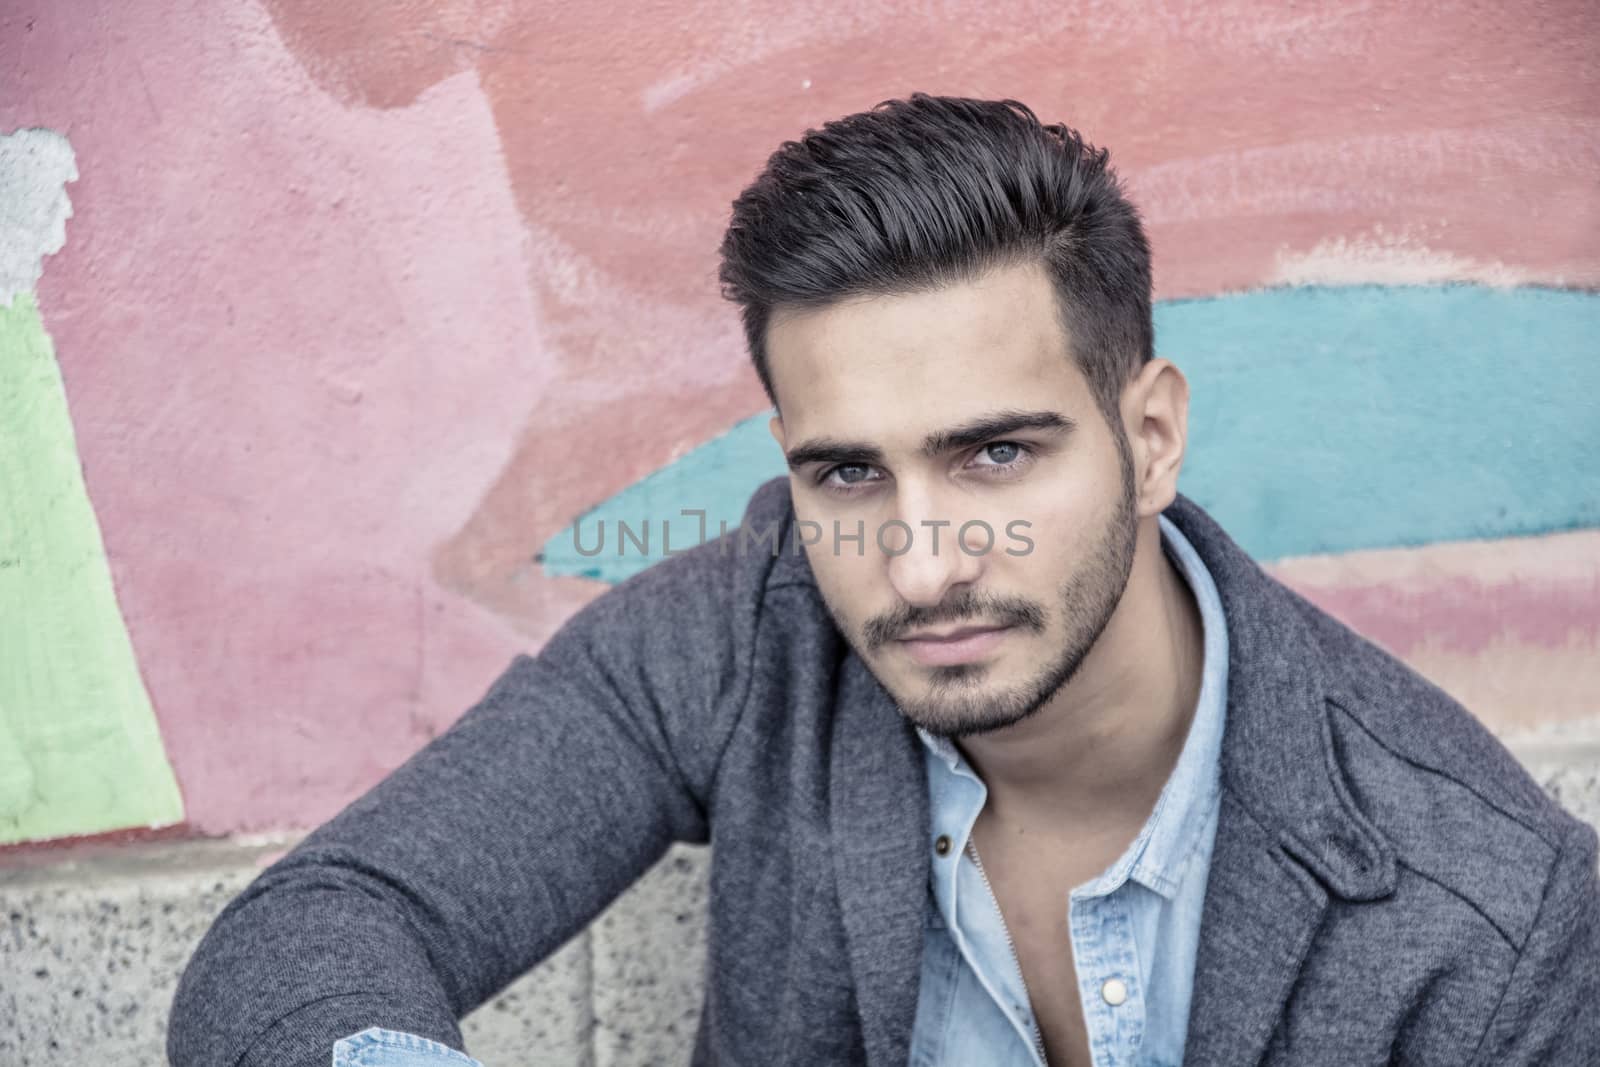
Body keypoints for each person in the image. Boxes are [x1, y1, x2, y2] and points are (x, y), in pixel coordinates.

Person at [168, 94, 1599, 1067]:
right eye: (849, 473)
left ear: (1148, 436)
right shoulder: (753, 621)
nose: (916, 565)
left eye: (994, 456)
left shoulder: (1490, 918)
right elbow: (315, 934)